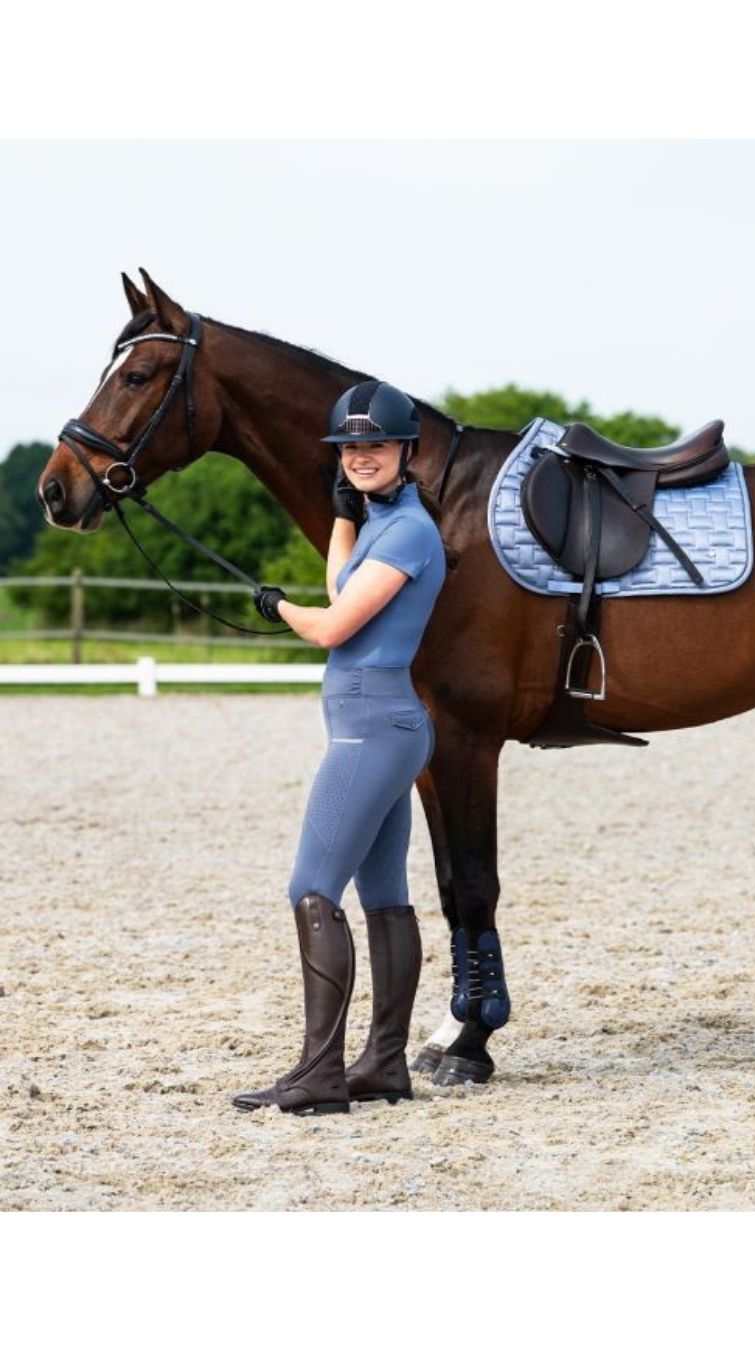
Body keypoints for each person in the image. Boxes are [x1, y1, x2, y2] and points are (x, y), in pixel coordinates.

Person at [233, 380, 447, 1115]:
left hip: (372, 729)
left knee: (312, 887)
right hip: (379, 726)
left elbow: (331, 626)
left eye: (375, 445)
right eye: (349, 448)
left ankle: (320, 1074)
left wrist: (281, 609)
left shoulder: (415, 533)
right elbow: (341, 584)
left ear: (406, 451)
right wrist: (341, 515)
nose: (360, 456)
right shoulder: (385, 524)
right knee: (383, 894)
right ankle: (384, 1065)